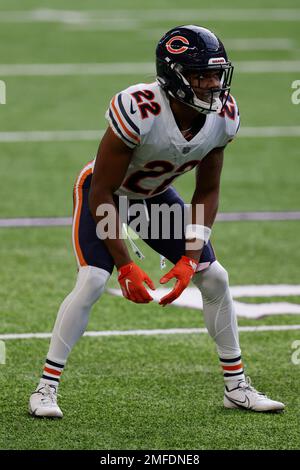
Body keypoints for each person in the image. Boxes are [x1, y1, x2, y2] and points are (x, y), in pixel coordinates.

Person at [29, 25, 284, 418]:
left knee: (214, 277)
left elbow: (207, 191)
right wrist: (127, 265)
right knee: (95, 279)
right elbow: (102, 192)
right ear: (174, 76)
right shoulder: (139, 107)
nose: (213, 84)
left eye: (217, 74)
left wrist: (190, 256)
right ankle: (45, 388)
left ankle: (236, 386)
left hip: (152, 200)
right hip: (108, 196)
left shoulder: (223, 116)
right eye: (201, 75)